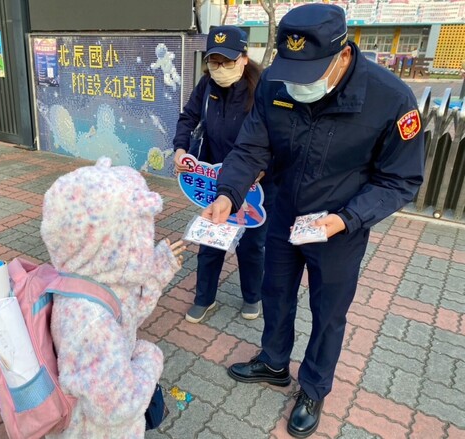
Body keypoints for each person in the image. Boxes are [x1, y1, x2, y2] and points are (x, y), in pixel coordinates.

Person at [202, 4, 424, 438]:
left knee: (328, 311)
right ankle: (273, 361)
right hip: (285, 211)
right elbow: (252, 147)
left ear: (342, 56)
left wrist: (347, 219)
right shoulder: (274, 83)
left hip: (340, 224)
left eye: (310, 73)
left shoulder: (390, 99)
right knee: (276, 290)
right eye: (292, 71)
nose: (298, 83)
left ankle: (314, 387)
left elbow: (401, 180)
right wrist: (229, 193)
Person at [41, 157, 186, 438]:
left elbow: (125, 317)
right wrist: (149, 359)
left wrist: (157, 270)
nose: (145, 238)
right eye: (139, 231)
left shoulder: (82, 282)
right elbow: (117, 408)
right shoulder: (91, 324)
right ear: (109, 242)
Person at [173, 25, 276, 323]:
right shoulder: (206, 87)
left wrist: (262, 169)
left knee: (253, 244)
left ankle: (252, 296)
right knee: (210, 238)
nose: (219, 69)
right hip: (215, 179)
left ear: (244, 58)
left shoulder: (263, 90)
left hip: (255, 184)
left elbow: (278, 138)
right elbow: (187, 117)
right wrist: (181, 149)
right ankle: (205, 298)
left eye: (227, 62)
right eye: (214, 62)